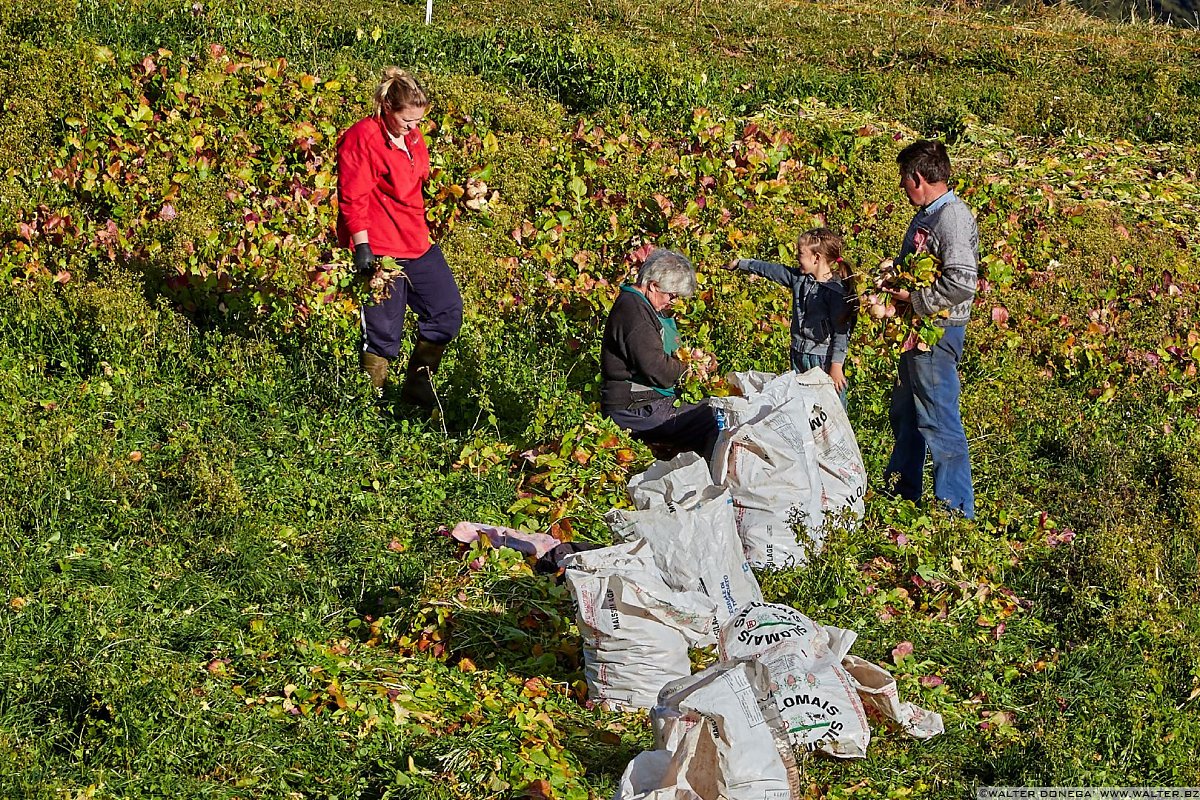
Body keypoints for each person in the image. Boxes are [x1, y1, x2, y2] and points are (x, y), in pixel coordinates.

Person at [336, 67, 463, 408]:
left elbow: (414, 184)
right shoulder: (362, 138)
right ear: (386, 109)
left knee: (446, 312)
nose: (414, 128)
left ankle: (416, 395)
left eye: (419, 121)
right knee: (383, 332)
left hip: (416, 241)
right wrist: (362, 246)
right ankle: (369, 407)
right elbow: (353, 195)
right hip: (380, 245)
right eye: (407, 120)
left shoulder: (413, 137)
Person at [879, 140, 978, 518]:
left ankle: (955, 510)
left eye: (904, 179)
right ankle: (901, 490)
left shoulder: (951, 217)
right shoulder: (928, 214)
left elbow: (962, 281)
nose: (902, 187)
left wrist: (913, 298)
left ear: (917, 178)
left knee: (938, 419)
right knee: (906, 413)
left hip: (936, 332)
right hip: (916, 331)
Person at [600, 249, 719, 458]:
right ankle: (711, 479)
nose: (672, 302)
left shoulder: (644, 307)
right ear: (654, 286)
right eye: (671, 296)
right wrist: (690, 368)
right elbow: (658, 370)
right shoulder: (635, 313)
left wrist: (697, 359)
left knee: (713, 409)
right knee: (711, 417)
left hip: (644, 402)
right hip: (634, 408)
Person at [723, 227, 858, 407]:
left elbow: (842, 331)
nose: (796, 257)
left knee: (831, 408)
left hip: (821, 359)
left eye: (800, 253)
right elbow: (771, 270)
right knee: (804, 408)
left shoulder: (834, 292)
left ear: (816, 258)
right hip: (798, 354)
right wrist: (742, 263)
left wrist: (836, 366)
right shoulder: (799, 279)